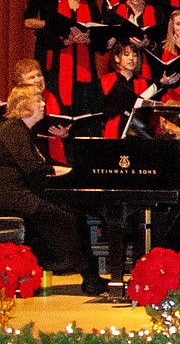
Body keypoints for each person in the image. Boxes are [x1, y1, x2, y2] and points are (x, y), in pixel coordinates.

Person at [0, 84, 108, 295]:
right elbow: (33, 169)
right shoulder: (13, 129)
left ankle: (89, 276)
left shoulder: (22, 130)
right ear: (24, 105)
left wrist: (64, 170)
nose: (43, 105)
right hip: (10, 195)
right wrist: (63, 171)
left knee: (73, 214)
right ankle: (72, 269)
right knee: (64, 218)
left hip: (22, 192)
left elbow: (37, 167)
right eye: (38, 101)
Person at [44, 0, 100, 114]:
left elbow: (101, 43)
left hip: (86, 72)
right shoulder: (54, 7)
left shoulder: (92, 7)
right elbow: (46, 40)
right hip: (60, 69)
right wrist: (65, 42)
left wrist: (88, 39)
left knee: (85, 112)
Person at [99, 41, 152, 138]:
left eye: (135, 55)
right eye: (126, 54)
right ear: (117, 58)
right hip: (113, 132)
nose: (131, 58)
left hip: (137, 134)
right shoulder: (106, 80)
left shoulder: (143, 83)